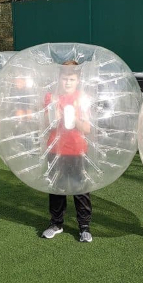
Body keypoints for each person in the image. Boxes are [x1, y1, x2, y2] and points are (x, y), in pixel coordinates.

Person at [41, 61, 93, 242]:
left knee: (81, 188)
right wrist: (54, 116)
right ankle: (56, 223)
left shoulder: (83, 98)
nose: (68, 82)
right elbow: (47, 126)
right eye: (65, 78)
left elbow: (87, 128)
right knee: (56, 187)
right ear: (59, 79)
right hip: (56, 149)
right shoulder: (51, 97)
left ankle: (84, 226)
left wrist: (74, 118)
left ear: (78, 80)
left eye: (72, 79)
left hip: (78, 150)